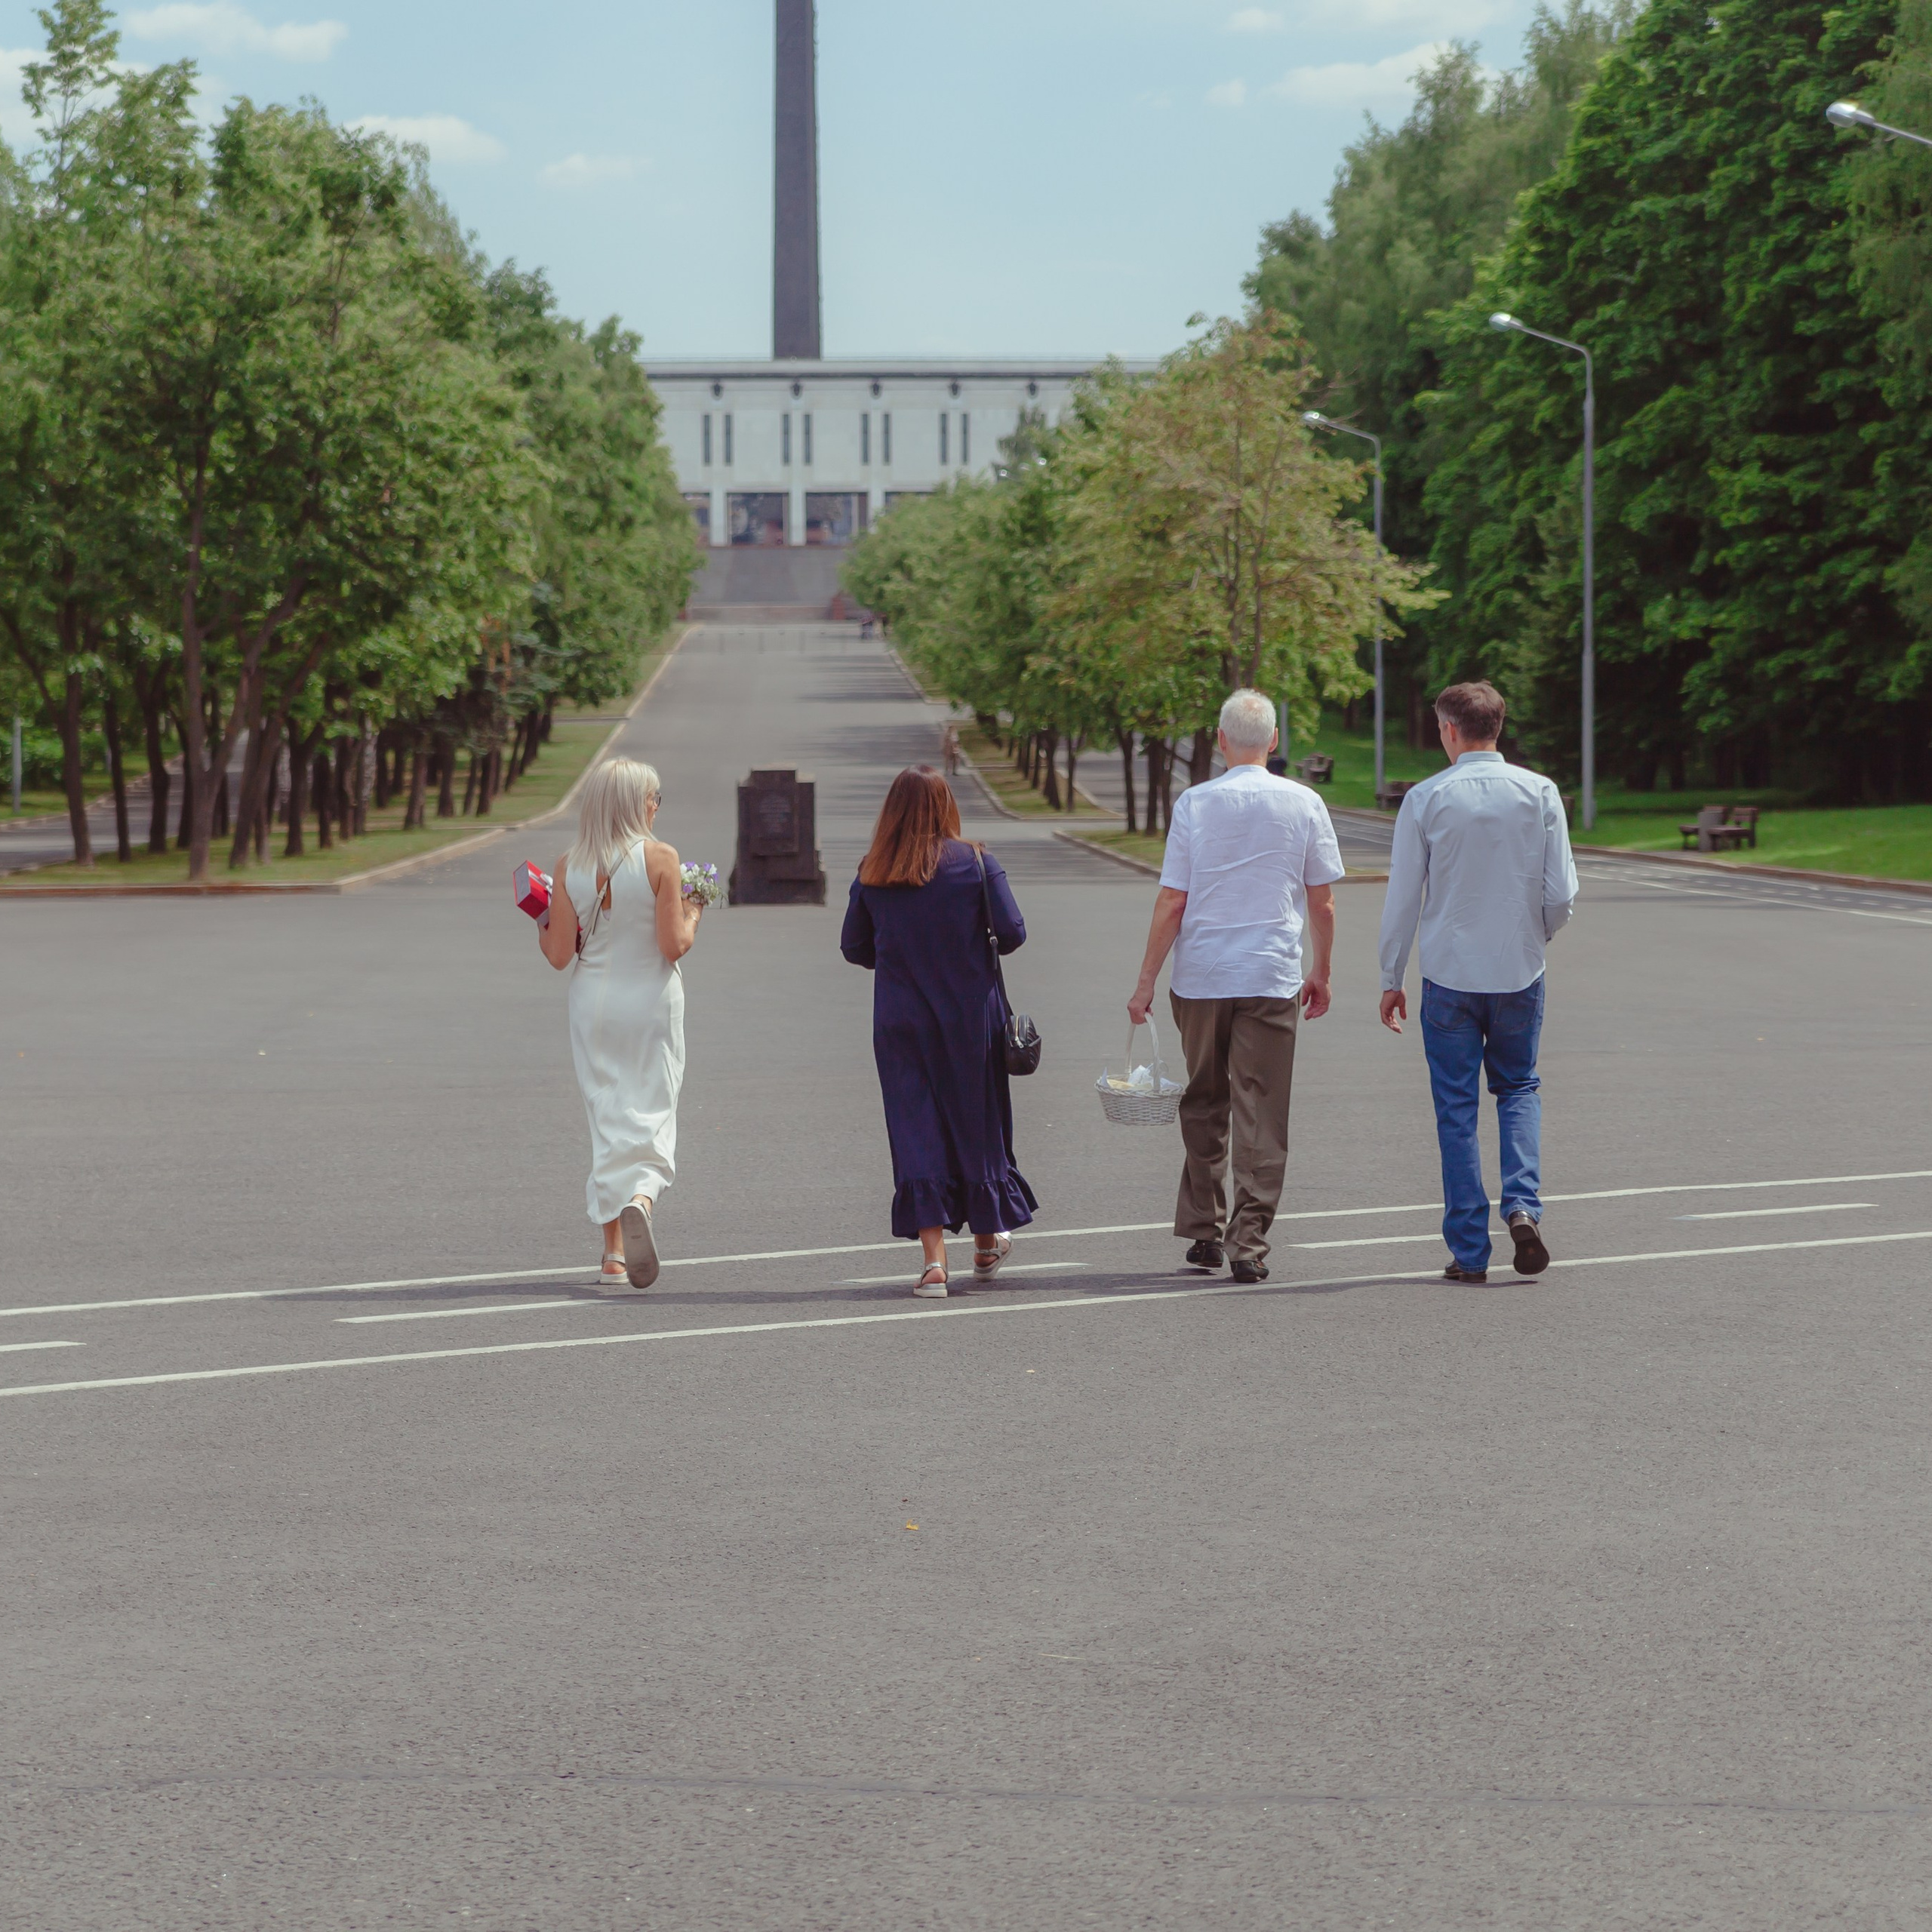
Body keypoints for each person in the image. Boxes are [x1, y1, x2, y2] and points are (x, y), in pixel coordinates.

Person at [1126, 689, 1343, 1284]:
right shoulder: (1305, 803)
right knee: (1261, 1111)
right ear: (1274, 742)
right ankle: (1248, 1242)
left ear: (1220, 741)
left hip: (1201, 977)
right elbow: (1321, 902)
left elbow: (1173, 901)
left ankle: (1203, 1229)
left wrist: (1145, 984)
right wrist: (1320, 971)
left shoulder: (1194, 804)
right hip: (1271, 975)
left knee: (1203, 1100)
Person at [1377, 680, 1579, 1284]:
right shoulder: (1540, 791)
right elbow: (1562, 891)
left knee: (1456, 1110)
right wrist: (1535, 936)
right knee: (1519, 1089)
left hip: (1449, 974)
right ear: (1499, 725)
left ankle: (1470, 1252)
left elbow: (1403, 897)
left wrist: (1392, 975)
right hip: (1518, 969)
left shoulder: (1426, 798)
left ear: (1448, 729)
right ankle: (1521, 1204)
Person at [840, 766, 1036, 1297]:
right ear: (947, 806)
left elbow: (854, 948)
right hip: (971, 1016)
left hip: (901, 1021)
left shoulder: (874, 870)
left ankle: (933, 1264)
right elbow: (1014, 933)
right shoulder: (975, 863)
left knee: (915, 1129)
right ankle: (987, 1238)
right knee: (978, 1123)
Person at [538, 758, 703, 1291]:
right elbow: (673, 944)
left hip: (593, 1002)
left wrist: (542, 916)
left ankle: (612, 1253)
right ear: (636, 803)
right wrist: (694, 909)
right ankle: (641, 1198)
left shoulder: (569, 865)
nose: (656, 806)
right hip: (650, 996)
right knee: (653, 1106)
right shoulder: (661, 858)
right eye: (653, 797)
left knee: (605, 1111)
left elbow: (560, 954)